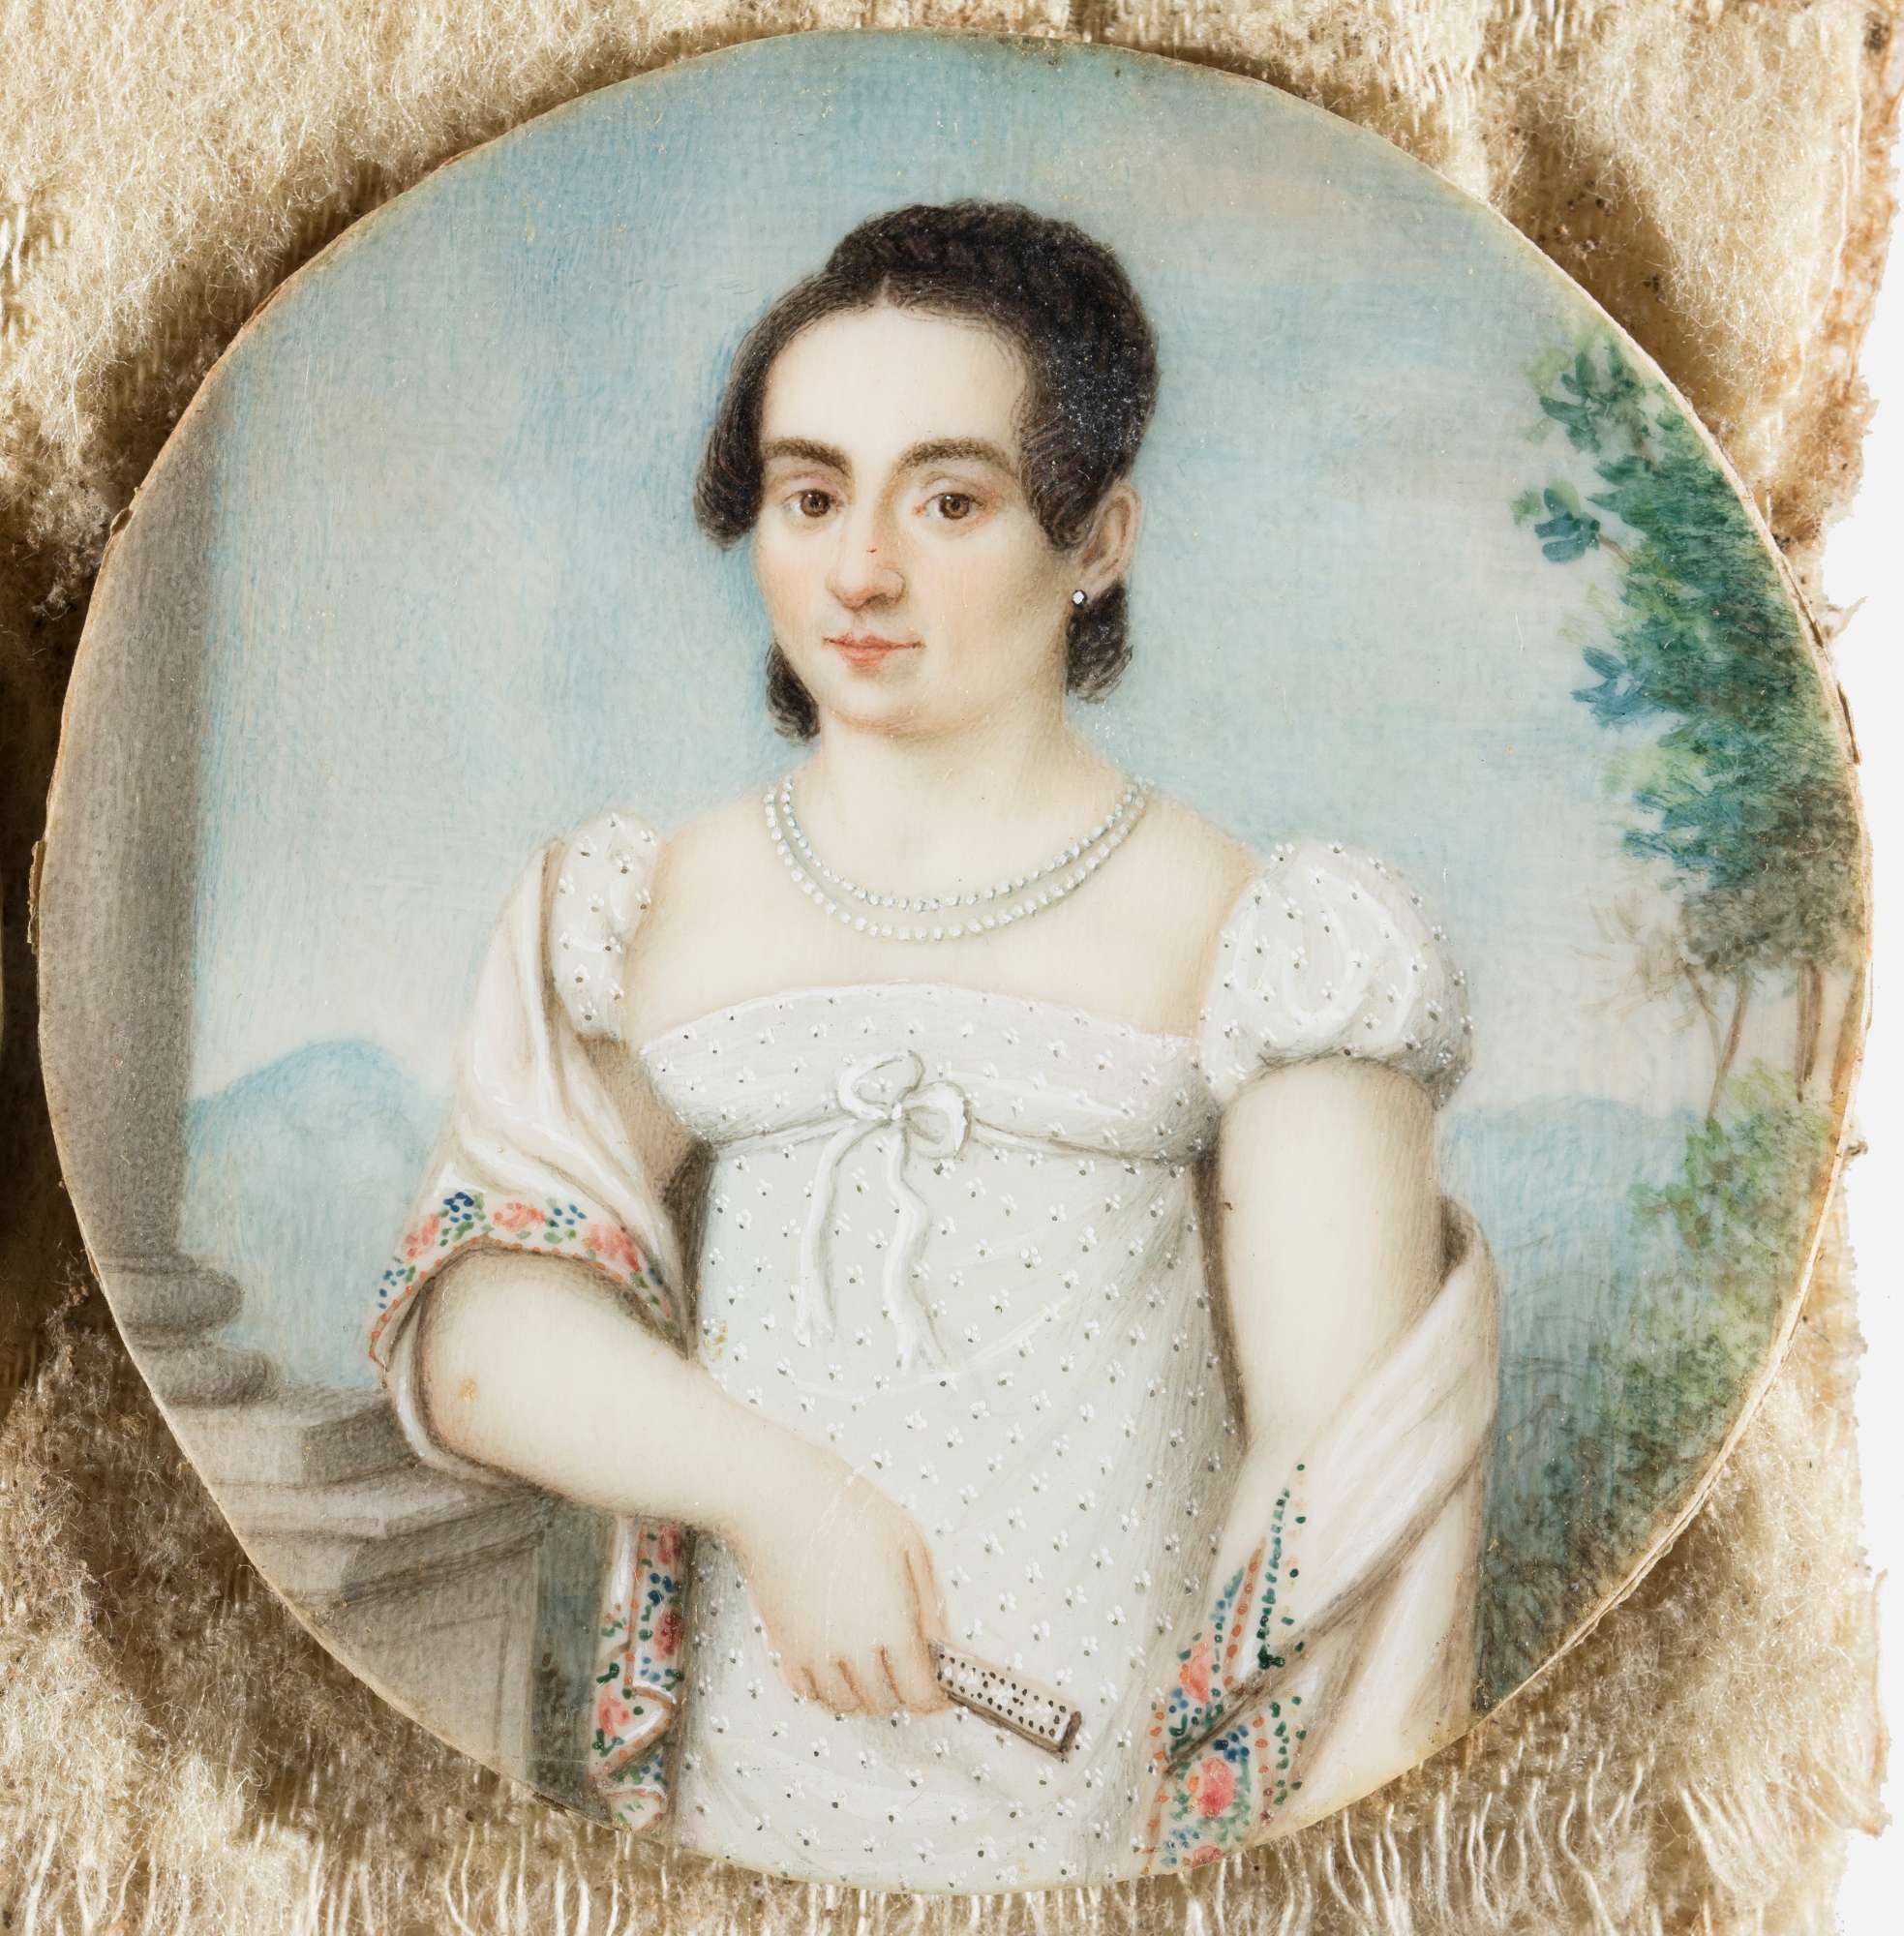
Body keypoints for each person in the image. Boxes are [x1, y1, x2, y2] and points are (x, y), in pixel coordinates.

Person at [366, 200, 1497, 1890]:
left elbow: (1335, 1498)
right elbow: (478, 1331)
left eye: (950, 500)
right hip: (754, 1790)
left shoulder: (1271, 940)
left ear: (1097, 537)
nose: (862, 573)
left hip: (1112, 1805)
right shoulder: (644, 911)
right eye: (811, 496)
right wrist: (783, 1498)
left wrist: (1202, 1862)